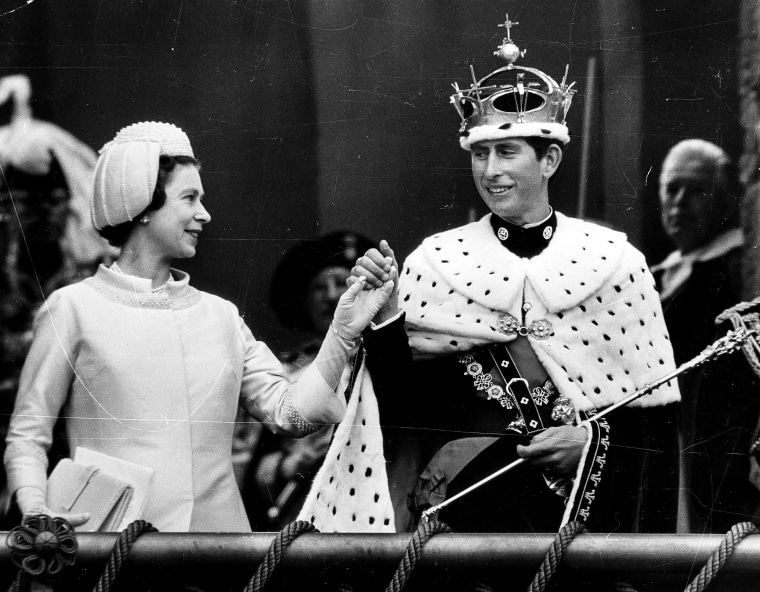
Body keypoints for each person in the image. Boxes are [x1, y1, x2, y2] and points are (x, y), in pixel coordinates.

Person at [304, 17, 681, 538]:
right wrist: (388, 318)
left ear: (549, 159)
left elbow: (656, 429)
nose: (490, 170)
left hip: (584, 527)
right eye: (480, 154)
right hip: (470, 515)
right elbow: (410, 419)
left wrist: (591, 446)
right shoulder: (435, 262)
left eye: (507, 152)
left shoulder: (616, 262)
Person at [3, 121, 392, 532]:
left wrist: (343, 332)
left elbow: (292, 415)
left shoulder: (220, 315)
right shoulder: (72, 307)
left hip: (218, 555)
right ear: (143, 206)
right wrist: (35, 509)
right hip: (108, 550)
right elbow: (28, 435)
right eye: (189, 198)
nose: (203, 214)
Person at [239, 231, 374, 529]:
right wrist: (292, 465)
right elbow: (248, 471)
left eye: (341, 283)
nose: (330, 296)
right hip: (303, 514)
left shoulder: (386, 363)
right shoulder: (283, 375)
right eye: (317, 287)